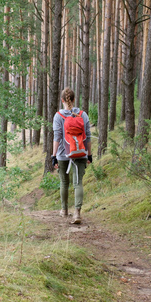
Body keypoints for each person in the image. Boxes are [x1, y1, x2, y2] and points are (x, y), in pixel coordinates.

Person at [51, 88, 92, 224]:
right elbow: (88, 137)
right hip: (80, 152)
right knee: (78, 183)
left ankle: (64, 210)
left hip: (63, 154)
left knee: (64, 182)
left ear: (62, 100)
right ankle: (77, 213)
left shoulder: (58, 116)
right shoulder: (82, 115)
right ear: (74, 99)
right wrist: (89, 155)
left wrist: (54, 155)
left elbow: (57, 137)